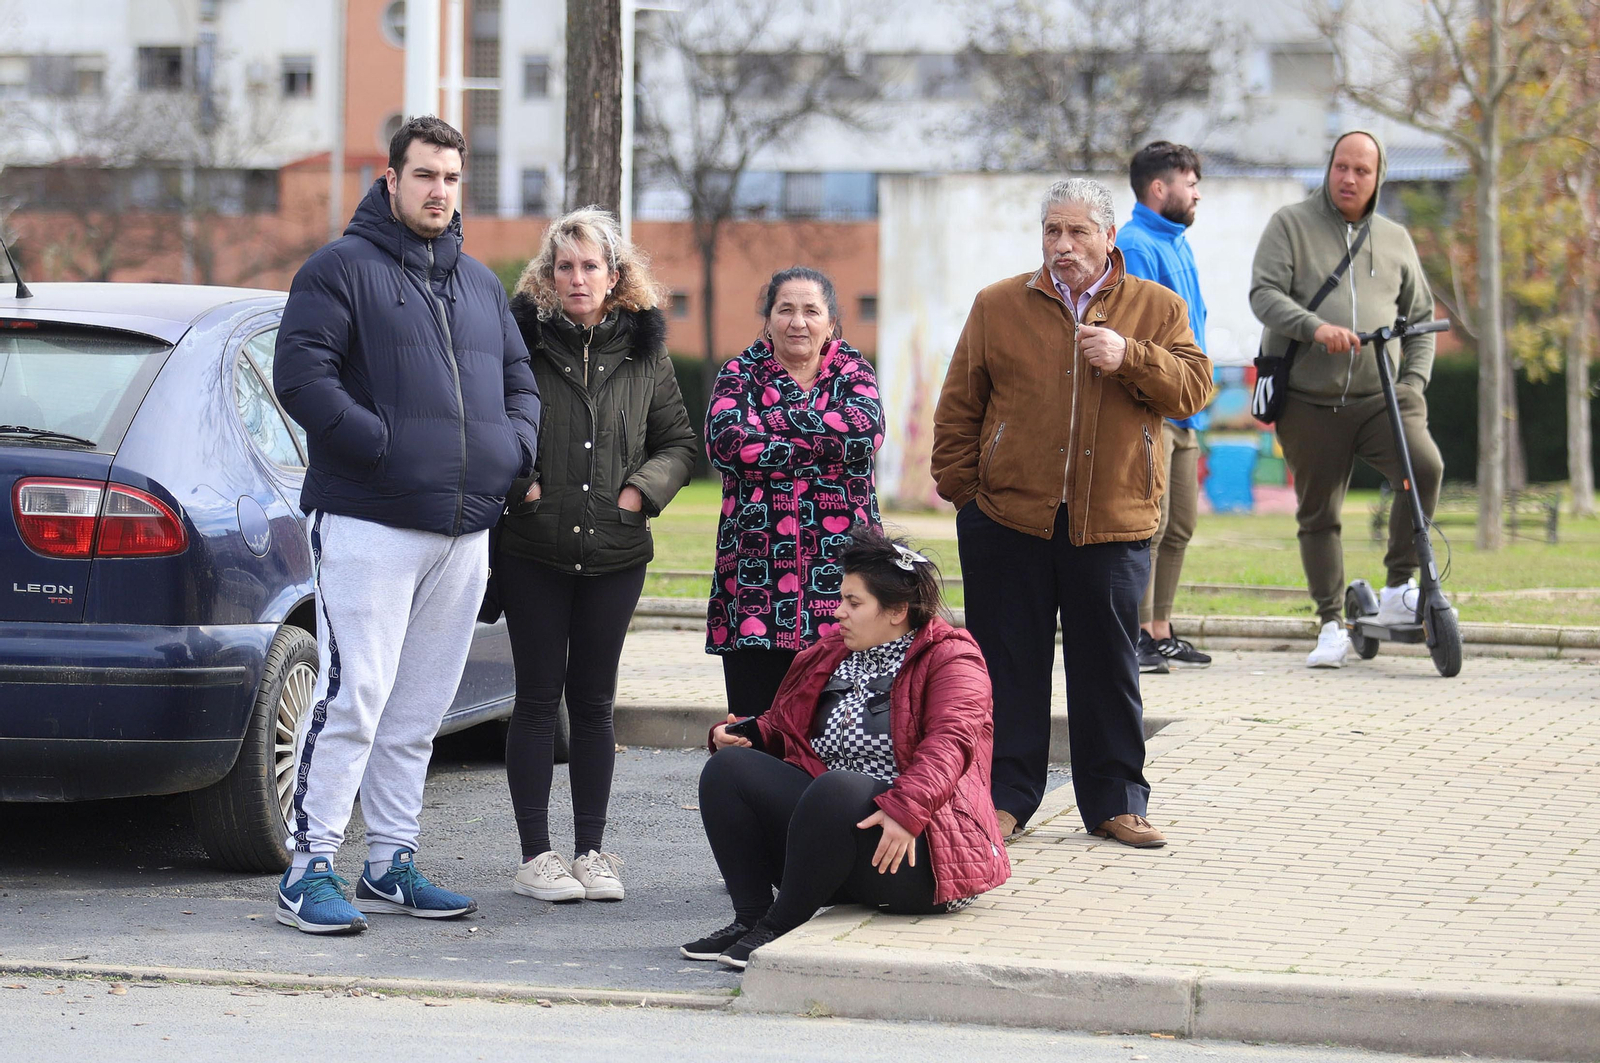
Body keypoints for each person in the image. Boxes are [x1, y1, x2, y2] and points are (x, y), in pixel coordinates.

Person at [272, 116, 541, 934]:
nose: (439, 191)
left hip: (463, 529)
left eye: (452, 178)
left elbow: (519, 380)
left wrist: (514, 450)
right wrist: (377, 444)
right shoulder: (339, 270)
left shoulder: (482, 285)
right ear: (391, 180)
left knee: (419, 706)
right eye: (424, 175)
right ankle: (307, 865)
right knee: (355, 694)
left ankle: (390, 860)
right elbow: (301, 374)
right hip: (369, 518)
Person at [931, 178, 1212, 847]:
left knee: (1108, 666)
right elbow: (961, 406)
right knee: (1006, 665)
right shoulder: (998, 304)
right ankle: (1004, 797)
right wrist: (967, 494)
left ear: (1109, 237)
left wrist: (1130, 356)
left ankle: (1116, 799)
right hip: (1006, 519)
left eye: (1078, 231)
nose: (1063, 245)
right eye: (1053, 231)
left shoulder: (1156, 307)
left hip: (1113, 519)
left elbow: (1196, 387)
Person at [684, 525, 1011, 970]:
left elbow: (951, 742)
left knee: (837, 787)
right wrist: (749, 734)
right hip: (831, 847)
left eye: (854, 603)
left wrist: (906, 809)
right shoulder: (833, 652)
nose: (839, 612)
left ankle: (778, 928)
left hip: (916, 853)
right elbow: (788, 725)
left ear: (896, 610)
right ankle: (751, 917)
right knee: (729, 769)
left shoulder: (952, 657)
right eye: (842, 599)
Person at [500, 208, 696, 903]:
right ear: (547, 276)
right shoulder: (520, 341)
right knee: (534, 698)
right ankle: (536, 857)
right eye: (565, 266)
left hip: (616, 553)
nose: (577, 278)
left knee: (594, 701)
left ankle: (591, 851)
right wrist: (519, 482)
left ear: (615, 276)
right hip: (532, 549)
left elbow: (678, 441)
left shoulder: (646, 353)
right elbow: (493, 424)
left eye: (590, 266)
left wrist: (639, 494)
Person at [1249, 130, 1442, 669]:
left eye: (1362, 170)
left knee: (1424, 468)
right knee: (1320, 513)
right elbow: (1264, 294)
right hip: (1309, 400)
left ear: (1378, 177)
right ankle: (1332, 621)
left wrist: (1414, 383)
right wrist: (1314, 328)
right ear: (1329, 167)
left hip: (1382, 395)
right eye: (1341, 167)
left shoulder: (1396, 237)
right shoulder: (1290, 224)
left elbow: (1421, 321)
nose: (1350, 178)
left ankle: (1400, 585)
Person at [704, 266, 885, 719]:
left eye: (811, 311)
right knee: (756, 726)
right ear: (767, 320)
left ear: (831, 323)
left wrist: (770, 427)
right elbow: (726, 443)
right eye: (785, 310)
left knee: (841, 729)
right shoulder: (739, 373)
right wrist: (824, 445)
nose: (797, 322)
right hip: (755, 580)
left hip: (844, 579)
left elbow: (864, 435)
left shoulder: (855, 371)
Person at [1118, 141, 1214, 674]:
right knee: (1149, 529)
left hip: (1188, 411)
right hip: (1157, 410)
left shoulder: (1178, 242)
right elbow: (1138, 334)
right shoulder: (1136, 245)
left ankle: (1160, 628)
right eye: (1190, 182)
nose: (1197, 193)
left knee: (1179, 526)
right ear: (1160, 188)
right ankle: (1134, 635)